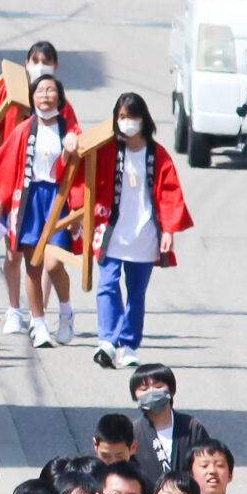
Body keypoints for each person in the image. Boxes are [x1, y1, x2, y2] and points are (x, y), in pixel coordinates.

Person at [79, 91, 193, 367]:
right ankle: (107, 340)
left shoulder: (158, 154)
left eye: (132, 117)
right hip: (111, 231)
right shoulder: (107, 150)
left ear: (143, 119)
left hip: (145, 234)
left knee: (136, 292)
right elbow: (83, 171)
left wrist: (168, 231)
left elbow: (170, 193)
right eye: (121, 117)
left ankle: (128, 344)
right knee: (107, 284)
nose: (127, 122)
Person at [0, 69, 80, 348]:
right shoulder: (23, 130)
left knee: (54, 262)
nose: (46, 96)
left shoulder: (70, 131)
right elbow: (7, 171)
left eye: (51, 91)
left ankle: (66, 312)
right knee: (33, 266)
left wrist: (78, 212)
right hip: (29, 199)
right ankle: (39, 323)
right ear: (32, 97)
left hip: (58, 200)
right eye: (40, 91)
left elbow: (82, 173)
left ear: (60, 97)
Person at [125, 364, 208, 489]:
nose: (151, 392)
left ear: (171, 390)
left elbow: (206, 464)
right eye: (144, 389)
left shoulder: (192, 427)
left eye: (158, 386)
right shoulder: (133, 432)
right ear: (135, 396)